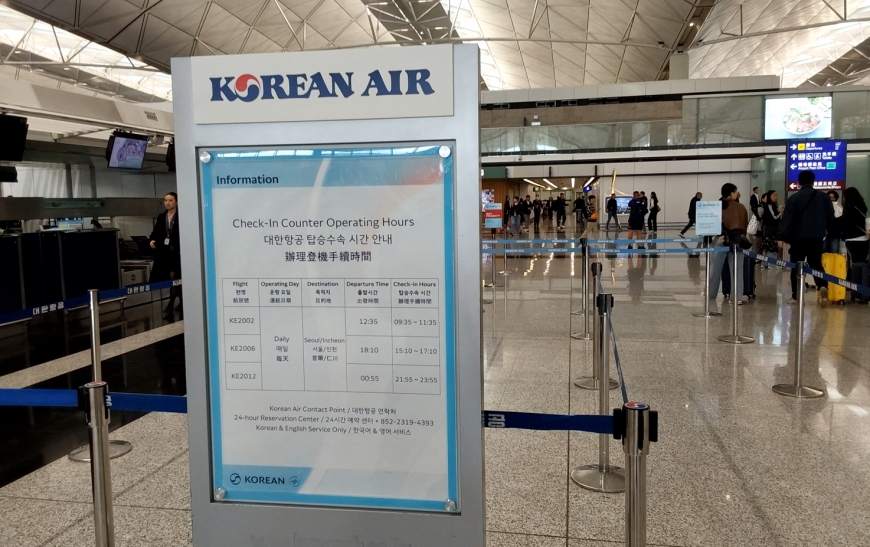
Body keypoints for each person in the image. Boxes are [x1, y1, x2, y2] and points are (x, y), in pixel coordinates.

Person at [777, 170, 835, 305]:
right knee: (816, 264)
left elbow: (788, 219)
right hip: (817, 237)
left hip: (798, 238)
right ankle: (822, 285)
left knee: (797, 266)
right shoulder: (823, 197)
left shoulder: (794, 198)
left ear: (799, 182)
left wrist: (781, 236)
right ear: (813, 181)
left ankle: (796, 296)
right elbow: (830, 217)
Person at [708, 184, 749, 304]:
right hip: (738, 240)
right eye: (736, 192)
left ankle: (711, 293)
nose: (737, 194)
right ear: (731, 193)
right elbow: (744, 225)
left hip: (721, 239)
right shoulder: (741, 207)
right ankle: (736, 297)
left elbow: (714, 224)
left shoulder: (718, 206)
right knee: (737, 270)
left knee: (715, 268)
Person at [149, 192, 182, 314]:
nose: (167, 203)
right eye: (166, 200)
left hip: (178, 253)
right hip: (166, 253)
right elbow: (155, 232)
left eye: (170, 200)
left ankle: (171, 302)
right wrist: (152, 240)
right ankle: (181, 301)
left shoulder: (181, 216)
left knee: (174, 276)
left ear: (176, 202)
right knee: (174, 278)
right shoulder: (161, 217)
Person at [838, 187, 870, 266]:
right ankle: (863, 274)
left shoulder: (849, 209)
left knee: (854, 263)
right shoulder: (862, 207)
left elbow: (845, 223)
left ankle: (854, 274)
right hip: (864, 238)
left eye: (844, 197)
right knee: (863, 261)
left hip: (851, 238)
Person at [761, 190, 783, 267]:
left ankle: (765, 263)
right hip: (770, 230)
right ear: (769, 196)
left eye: (776, 195)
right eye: (774, 195)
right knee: (771, 247)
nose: (776, 197)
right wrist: (780, 212)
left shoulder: (772, 206)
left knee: (766, 247)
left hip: (769, 230)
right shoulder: (769, 205)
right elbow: (774, 217)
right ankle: (771, 264)